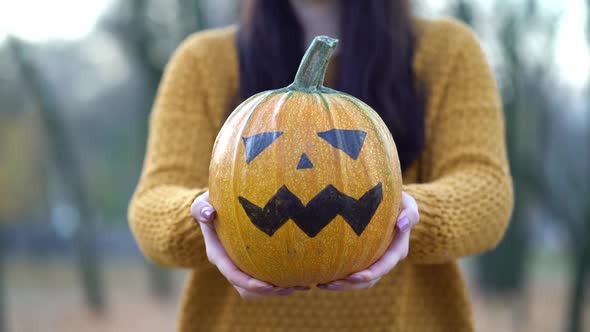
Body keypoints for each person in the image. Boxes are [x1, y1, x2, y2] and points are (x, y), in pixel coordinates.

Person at [128, 0, 514, 331]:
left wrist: (399, 219)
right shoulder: (202, 62)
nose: (305, 172)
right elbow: (152, 205)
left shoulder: (447, 52)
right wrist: (213, 219)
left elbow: (486, 191)